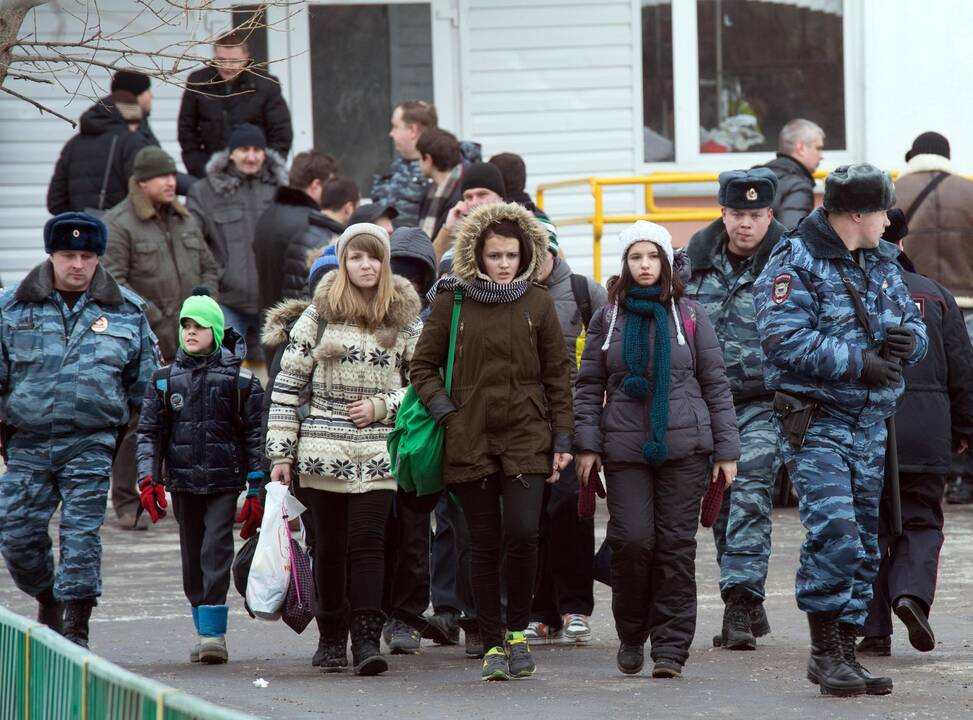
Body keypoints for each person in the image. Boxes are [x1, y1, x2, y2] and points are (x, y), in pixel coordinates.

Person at [754, 163, 927, 697]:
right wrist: (860, 363)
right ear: (856, 213)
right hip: (818, 421)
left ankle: (845, 654)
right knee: (837, 535)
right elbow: (781, 339)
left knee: (866, 546)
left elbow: (915, 324)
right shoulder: (794, 260)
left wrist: (908, 345)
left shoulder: (881, 259)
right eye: (881, 212)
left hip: (869, 422)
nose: (887, 221)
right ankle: (824, 652)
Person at [410, 202, 574, 681]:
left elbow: (557, 375)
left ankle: (518, 633)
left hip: (527, 434)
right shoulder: (451, 301)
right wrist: (448, 414)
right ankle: (492, 642)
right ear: (476, 256)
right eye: (494, 255)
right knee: (481, 544)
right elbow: (421, 366)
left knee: (524, 535)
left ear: (526, 255)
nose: (503, 264)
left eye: (511, 255)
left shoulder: (538, 302)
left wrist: (563, 436)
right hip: (470, 435)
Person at [574, 221, 739, 679]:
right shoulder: (608, 317)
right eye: (635, 258)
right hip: (624, 448)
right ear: (625, 265)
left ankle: (670, 648)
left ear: (666, 262)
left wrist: (727, 450)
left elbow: (715, 384)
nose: (644, 265)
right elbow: (587, 386)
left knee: (674, 548)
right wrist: (587, 445)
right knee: (631, 542)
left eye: (652, 257)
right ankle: (631, 632)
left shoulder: (689, 315)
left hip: (686, 448)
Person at [266, 223, 422, 676]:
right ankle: (331, 637)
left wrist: (382, 405)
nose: (366, 265)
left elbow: (422, 383)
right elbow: (287, 386)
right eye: (356, 256)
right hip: (321, 450)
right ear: (343, 260)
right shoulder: (318, 313)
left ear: (385, 261)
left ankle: (367, 639)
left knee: (370, 544)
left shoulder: (405, 315)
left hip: (379, 449)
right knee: (328, 547)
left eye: (374, 256)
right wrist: (281, 454)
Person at [0, 212, 158, 648]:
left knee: (82, 536)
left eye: (87, 256)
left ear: (98, 258)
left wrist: (135, 447)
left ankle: (76, 623)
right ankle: (47, 595)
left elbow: (145, 387)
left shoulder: (126, 311)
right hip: (27, 442)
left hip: (91, 441)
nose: (77, 264)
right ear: (50, 255)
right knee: (15, 533)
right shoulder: (11, 307)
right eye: (68, 254)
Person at [857, 210, 973, 656]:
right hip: (927, 436)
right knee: (922, 521)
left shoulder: (849, 292)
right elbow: (963, 372)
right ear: (902, 245)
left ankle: (873, 630)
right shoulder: (937, 295)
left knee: (870, 526)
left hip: (867, 430)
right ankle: (910, 595)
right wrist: (964, 430)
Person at [684, 168, 787, 650]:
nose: (745, 224)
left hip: (765, 403)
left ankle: (740, 604)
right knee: (720, 503)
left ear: (770, 214)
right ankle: (743, 596)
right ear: (722, 213)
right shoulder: (691, 264)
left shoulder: (792, 262)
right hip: (704, 405)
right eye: (736, 214)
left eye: (755, 214)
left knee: (747, 490)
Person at [136, 290, 264, 664]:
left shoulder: (241, 383)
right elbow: (148, 433)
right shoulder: (163, 382)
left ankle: (214, 635)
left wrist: (256, 486)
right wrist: (149, 479)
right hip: (183, 482)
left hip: (225, 482)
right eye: (186, 325)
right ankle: (202, 625)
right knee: (192, 556)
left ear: (217, 332)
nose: (191, 332)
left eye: (200, 326)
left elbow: (256, 435)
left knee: (215, 549)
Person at [103, 146, 220, 529]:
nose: (171, 182)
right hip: (144, 340)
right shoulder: (120, 223)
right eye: (161, 176)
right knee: (139, 419)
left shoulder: (186, 219)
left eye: (173, 174)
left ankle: (197, 494)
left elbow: (209, 265)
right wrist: (153, 316)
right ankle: (126, 499)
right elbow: (112, 281)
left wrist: (202, 311)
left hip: (191, 336)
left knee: (196, 415)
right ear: (140, 183)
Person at [525, 231, 607, 645]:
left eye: (542, 251)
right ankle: (540, 612)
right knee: (531, 517)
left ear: (554, 251)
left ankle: (575, 607)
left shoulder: (584, 292)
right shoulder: (510, 291)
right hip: (525, 423)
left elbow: (607, 356)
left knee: (573, 514)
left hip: (574, 421)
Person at [894, 131, 973, 505]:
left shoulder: (894, 192)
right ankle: (965, 477)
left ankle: (922, 470)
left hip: (917, 304)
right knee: (965, 387)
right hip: (967, 304)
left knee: (924, 391)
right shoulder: (968, 191)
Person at [381, 226, 440, 654]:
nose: (406, 284)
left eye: (414, 278)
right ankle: (374, 614)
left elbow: (430, 380)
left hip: (415, 444)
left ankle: (405, 617)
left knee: (415, 535)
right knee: (375, 535)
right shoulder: (361, 315)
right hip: (363, 444)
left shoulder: (434, 322)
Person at [187, 123, 287, 358]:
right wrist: (218, 277)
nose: (251, 157)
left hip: (273, 303)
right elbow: (192, 242)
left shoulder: (281, 189)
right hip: (228, 301)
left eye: (257, 150)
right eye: (244, 150)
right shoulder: (205, 192)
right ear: (231, 153)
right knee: (222, 370)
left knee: (276, 376)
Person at [178, 30, 293, 179]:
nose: (227, 66)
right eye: (221, 60)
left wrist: (265, 170)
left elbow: (281, 134)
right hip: (209, 173)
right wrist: (200, 169)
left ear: (246, 58)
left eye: (234, 60)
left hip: (255, 172)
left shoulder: (266, 85)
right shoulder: (198, 82)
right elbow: (186, 131)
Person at [371, 100, 481, 228]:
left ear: (413, 130)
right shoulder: (396, 168)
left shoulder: (449, 170)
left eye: (395, 127)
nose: (391, 134)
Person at [252, 151, 339, 312]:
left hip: (268, 317)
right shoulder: (311, 225)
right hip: (294, 320)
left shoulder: (268, 214)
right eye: (331, 185)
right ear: (316, 186)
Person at [47, 88, 152, 216]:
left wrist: (79, 220)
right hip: (121, 231)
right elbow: (145, 191)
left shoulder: (72, 145)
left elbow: (55, 202)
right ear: (129, 117)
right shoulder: (131, 141)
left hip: (81, 231)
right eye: (137, 123)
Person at [276, 177, 360, 304]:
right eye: (358, 207)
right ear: (348, 208)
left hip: (295, 313)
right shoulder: (333, 244)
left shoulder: (302, 231)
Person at [432, 162, 506, 264]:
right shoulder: (461, 234)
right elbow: (431, 270)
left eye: (482, 194)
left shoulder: (520, 228)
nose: (474, 202)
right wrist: (448, 230)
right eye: (469, 197)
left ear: (500, 198)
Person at [761, 118, 825, 230]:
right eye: (818, 148)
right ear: (801, 148)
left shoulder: (756, 175)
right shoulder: (797, 186)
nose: (821, 156)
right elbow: (792, 236)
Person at [416, 128, 464, 239]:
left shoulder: (462, 195)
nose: (418, 163)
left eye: (419, 158)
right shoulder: (430, 190)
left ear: (428, 159)